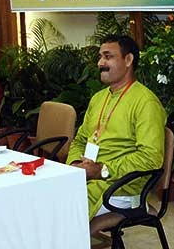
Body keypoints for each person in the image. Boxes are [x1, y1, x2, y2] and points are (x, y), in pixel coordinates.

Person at [66, 35, 166, 219]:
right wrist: (75, 165)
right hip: (88, 178)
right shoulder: (98, 98)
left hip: (120, 188)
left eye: (108, 56)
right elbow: (80, 140)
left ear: (128, 60)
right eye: (100, 57)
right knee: (43, 196)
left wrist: (102, 170)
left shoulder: (146, 102)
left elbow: (150, 158)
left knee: (60, 211)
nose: (100, 63)